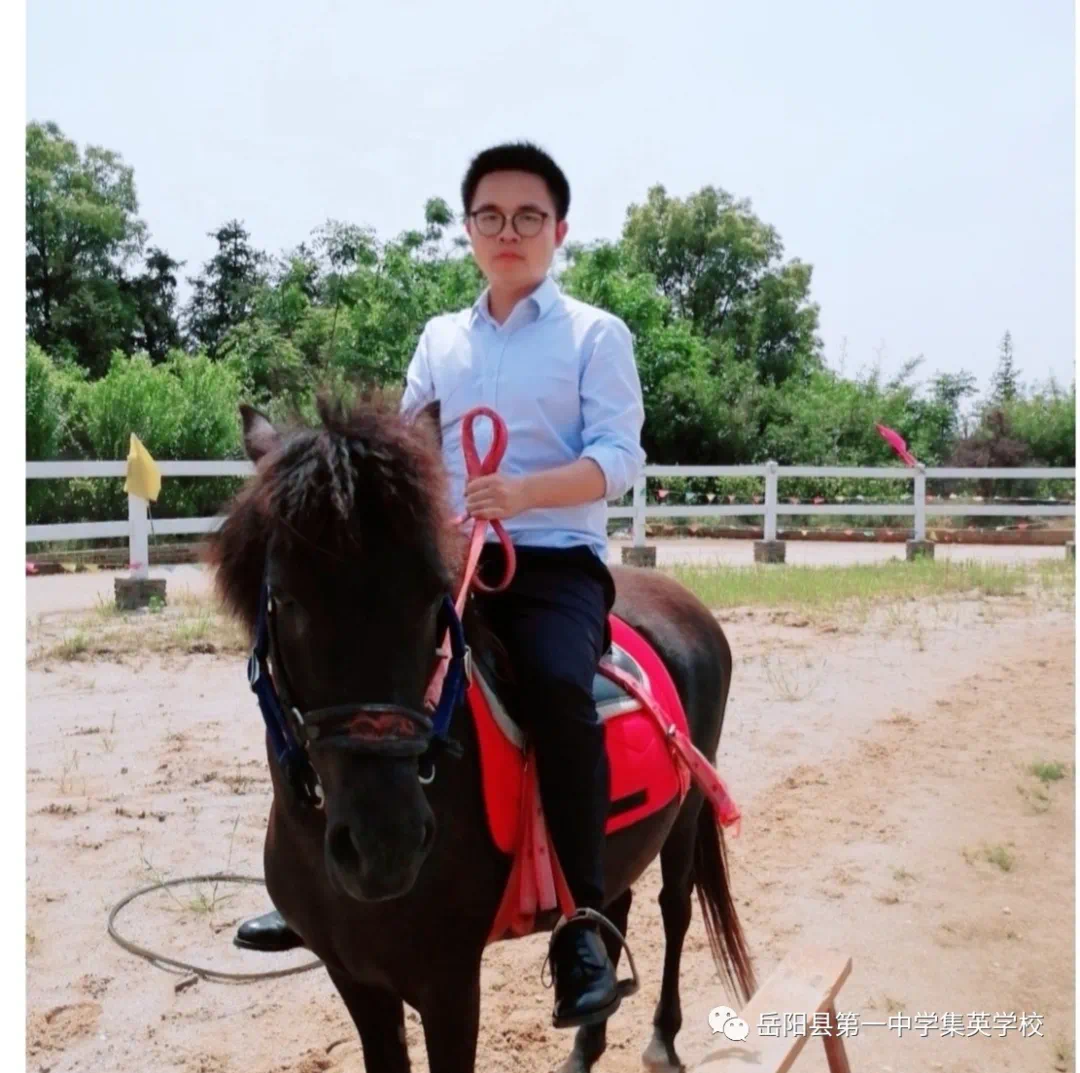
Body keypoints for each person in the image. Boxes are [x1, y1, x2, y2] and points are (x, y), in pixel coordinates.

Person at [234, 141, 646, 1028]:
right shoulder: (441, 339)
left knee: (557, 686)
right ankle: (310, 888)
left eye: (528, 216)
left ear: (559, 230)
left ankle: (584, 919)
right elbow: (408, 449)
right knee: (329, 669)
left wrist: (524, 494)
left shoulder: (595, 335)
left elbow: (618, 457)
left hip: (551, 562)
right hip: (448, 558)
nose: (509, 231)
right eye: (490, 215)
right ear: (468, 229)